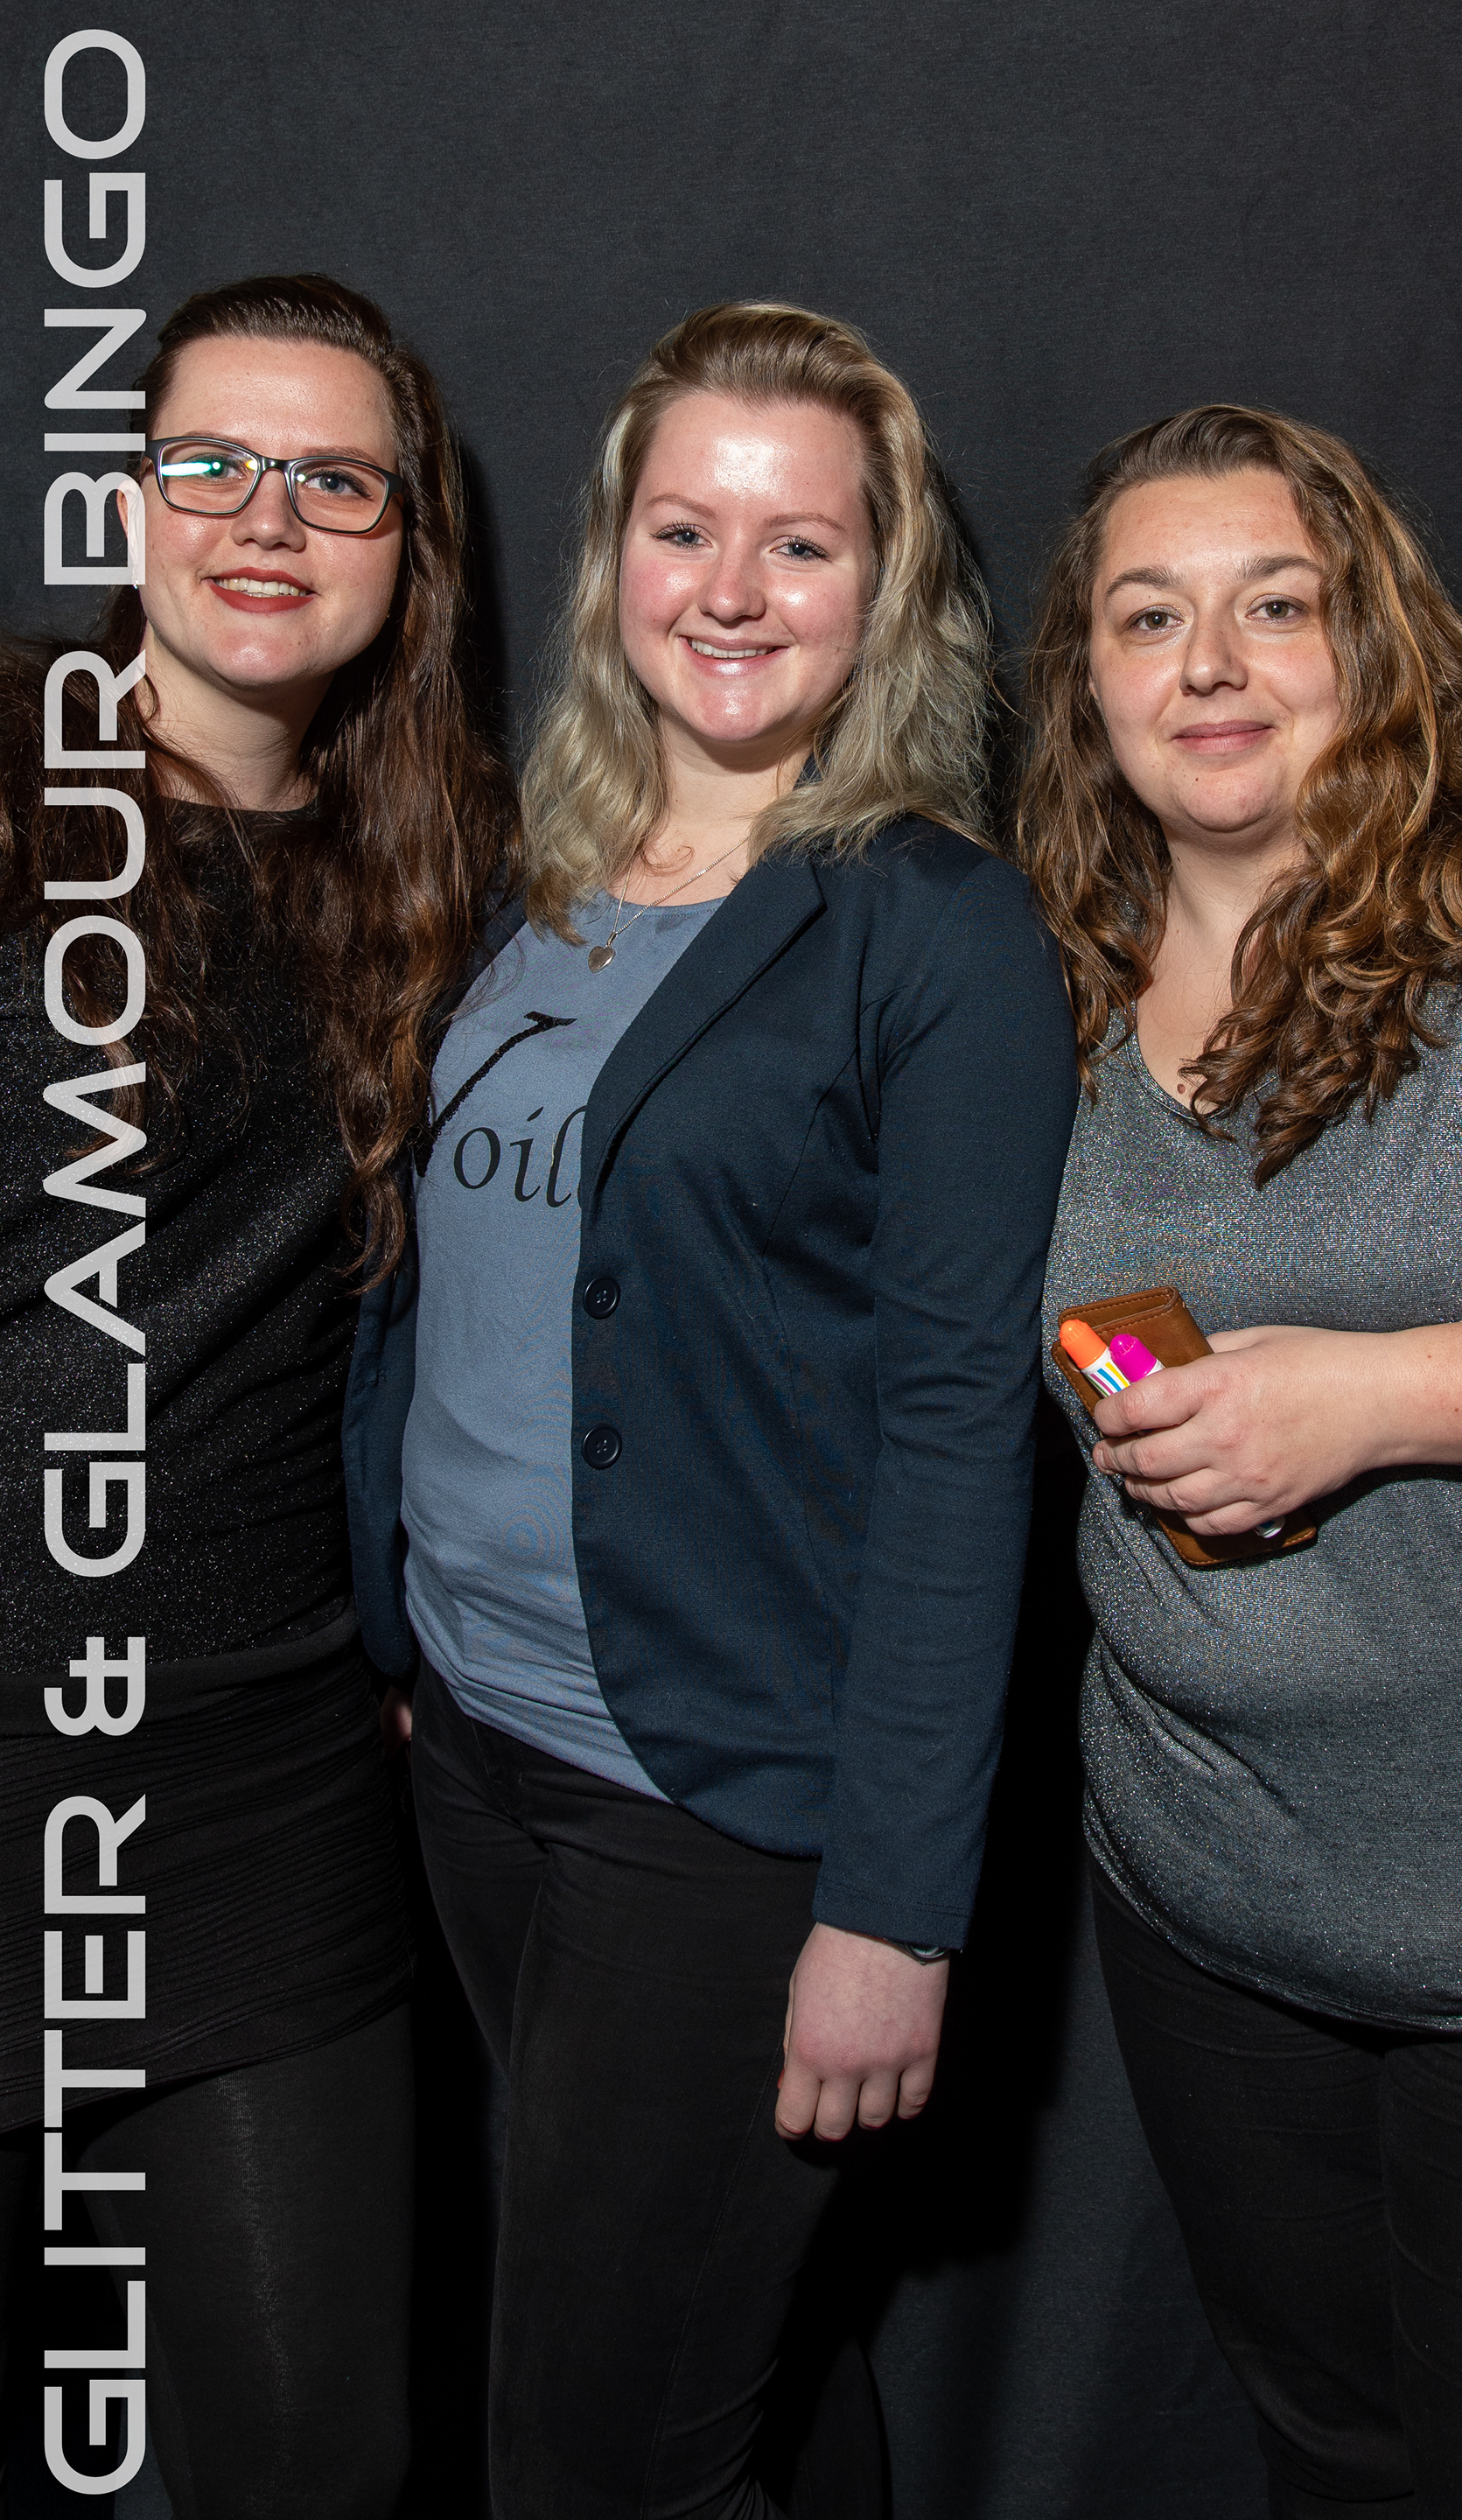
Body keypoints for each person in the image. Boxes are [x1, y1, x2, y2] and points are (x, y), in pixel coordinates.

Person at [345, 300, 1077, 2519]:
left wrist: (896, 1906)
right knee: (735, 2379)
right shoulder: (521, 883)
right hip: (477, 1745)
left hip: (717, 1798)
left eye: (802, 544)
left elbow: (961, 1431)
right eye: (686, 530)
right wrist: (403, 1623)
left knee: (590, 2459)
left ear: (888, 591)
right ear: (613, 560)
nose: (734, 592)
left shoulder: (933, 928)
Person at [1022, 404, 1462, 2518]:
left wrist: (1377, 1397)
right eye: (1151, 618)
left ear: (1372, 644)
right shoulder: (1044, 983)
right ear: (1088, 681)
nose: (1211, 664)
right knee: (1330, 2462)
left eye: (1274, 606)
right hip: (1217, 1916)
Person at [0, 273, 514, 2517]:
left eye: (334, 480)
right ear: (125, 501)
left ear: (411, 542)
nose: (265, 519)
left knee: (319, 2452)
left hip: (258, 1768)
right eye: (207, 461)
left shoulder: (440, 894)